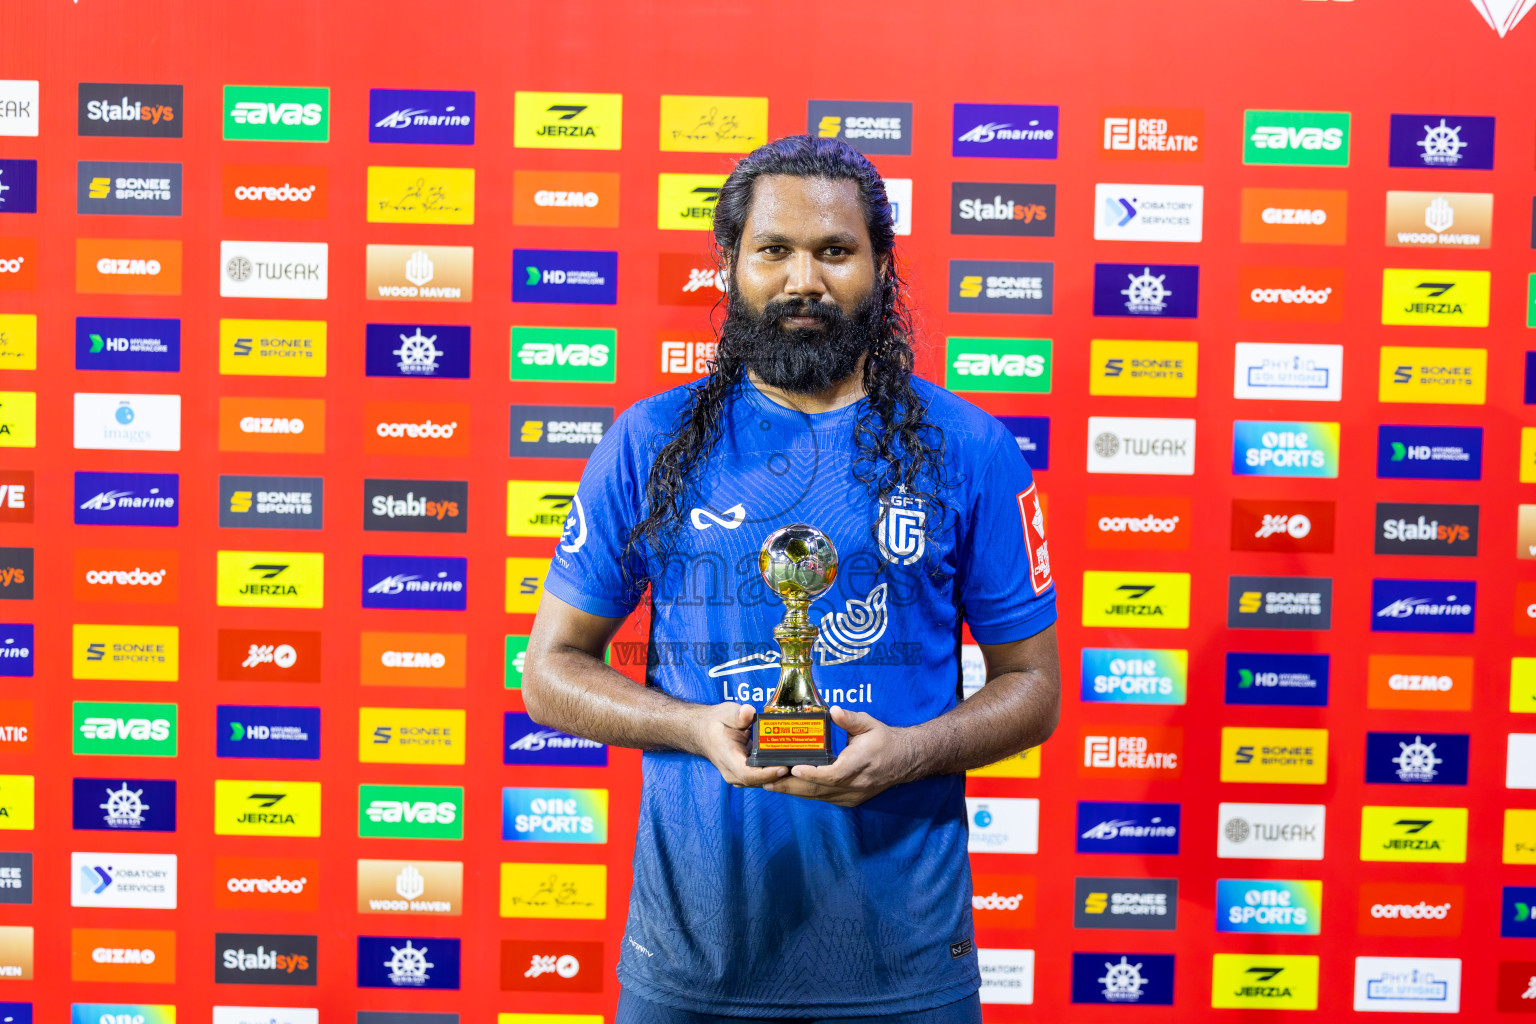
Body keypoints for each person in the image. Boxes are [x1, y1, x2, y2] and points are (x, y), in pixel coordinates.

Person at [522, 134, 1060, 1024]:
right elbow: (550, 671)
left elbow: (1033, 686)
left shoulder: (969, 449)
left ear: (882, 268)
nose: (803, 279)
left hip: (906, 966)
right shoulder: (651, 442)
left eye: (835, 251)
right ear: (732, 265)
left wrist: (911, 751)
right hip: (694, 965)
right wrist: (690, 726)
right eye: (774, 250)